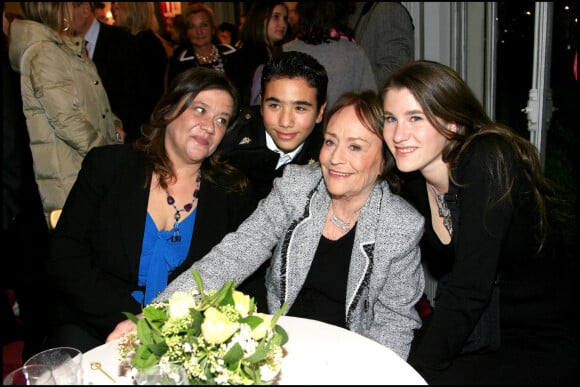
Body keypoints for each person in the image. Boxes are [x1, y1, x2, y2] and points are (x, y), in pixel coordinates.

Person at [108, 90, 426, 361]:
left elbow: (394, 325)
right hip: (280, 349)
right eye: (330, 142)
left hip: (348, 358)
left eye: (355, 147)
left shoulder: (400, 226)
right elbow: (233, 255)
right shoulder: (297, 188)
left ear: (384, 159)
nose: (335, 158)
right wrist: (156, 316)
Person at [381, 60, 577, 384]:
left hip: (537, 337)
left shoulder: (488, 157)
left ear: (455, 123)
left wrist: (411, 374)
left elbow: (469, 289)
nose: (399, 134)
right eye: (391, 119)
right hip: (478, 331)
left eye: (415, 117)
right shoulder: (411, 184)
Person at [45, 67, 257, 352]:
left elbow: (238, 279)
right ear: (168, 110)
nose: (209, 126)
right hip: (93, 324)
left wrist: (171, 327)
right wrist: (136, 324)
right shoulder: (109, 166)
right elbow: (66, 256)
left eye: (221, 119)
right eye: (200, 110)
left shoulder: (231, 192)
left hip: (185, 334)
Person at [219, 50, 328, 310]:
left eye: (300, 107)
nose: (285, 121)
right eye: (274, 105)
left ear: (320, 112)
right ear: (260, 102)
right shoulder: (227, 137)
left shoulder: (329, 159)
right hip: (221, 272)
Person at [8, 2, 122, 225]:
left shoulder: (60, 46)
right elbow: (67, 121)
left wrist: (114, 125)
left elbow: (93, 102)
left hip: (86, 168)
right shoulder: (45, 52)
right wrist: (107, 154)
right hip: (70, 175)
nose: (80, 9)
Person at [2, 7, 52, 362]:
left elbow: (10, 138)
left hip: (17, 196)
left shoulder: (17, 53)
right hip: (16, 196)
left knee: (32, 282)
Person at [280, 2, 377, 111]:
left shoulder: (285, 51)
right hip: (342, 126)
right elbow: (371, 105)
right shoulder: (355, 53)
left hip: (293, 125)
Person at [72, 1, 143, 144]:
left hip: (123, 141)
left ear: (85, 9)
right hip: (85, 141)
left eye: (67, 10)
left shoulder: (122, 41)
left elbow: (137, 98)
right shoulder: (64, 47)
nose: (62, 17)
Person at [112, 2, 168, 131]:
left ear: (132, 12)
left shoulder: (138, 44)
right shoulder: (151, 40)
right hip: (147, 120)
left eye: (119, 9)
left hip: (138, 124)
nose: (116, 14)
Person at [228, 1, 289, 107]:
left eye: (285, 18)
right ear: (259, 19)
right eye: (276, 17)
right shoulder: (242, 58)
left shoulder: (282, 54)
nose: (283, 24)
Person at [348, 1, 415, 90]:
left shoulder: (389, 9)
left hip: (371, 101)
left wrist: (356, 99)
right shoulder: (358, 11)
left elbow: (393, 70)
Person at [167, 3, 237, 86]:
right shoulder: (179, 63)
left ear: (213, 29)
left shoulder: (233, 54)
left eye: (204, 25)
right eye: (192, 27)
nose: (199, 31)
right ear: (186, 32)